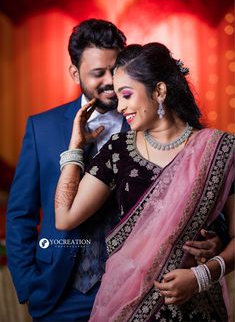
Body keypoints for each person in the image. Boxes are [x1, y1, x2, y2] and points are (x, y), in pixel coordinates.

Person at [54, 43, 234, 322]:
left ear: (159, 91)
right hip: (125, 305)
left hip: (197, 308)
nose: (121, 106)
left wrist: (202, 274)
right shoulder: (119, 150)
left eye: (127, 95)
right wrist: (75, 145)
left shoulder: (219, 150)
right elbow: (64, 217)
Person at [6, 18, 128, 322]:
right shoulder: (41, 128)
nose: (110, 81)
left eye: (115, 70)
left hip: (130, 288)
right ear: (75, 72)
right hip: (59, 294)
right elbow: (21, 214)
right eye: (98, 73)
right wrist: (28, 285)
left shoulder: (147, 125)